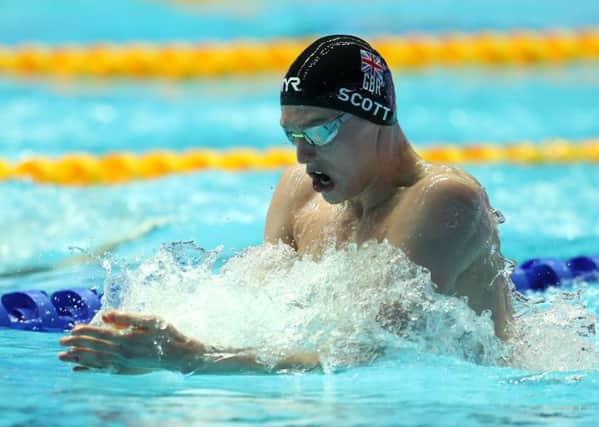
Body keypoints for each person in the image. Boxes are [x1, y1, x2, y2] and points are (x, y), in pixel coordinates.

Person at [58, 35, 514, 374]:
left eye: (317, 132)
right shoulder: (300, 193)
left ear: (377, 119)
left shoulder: (443, 201)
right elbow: (257, 311)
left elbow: (368, 355)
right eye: (291, 135)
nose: (302, 154)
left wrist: (192, 358)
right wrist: (147, 335)